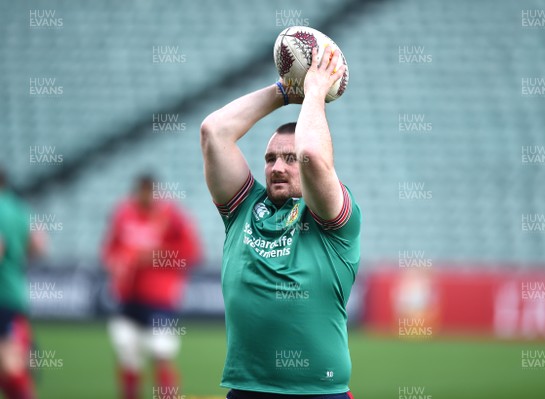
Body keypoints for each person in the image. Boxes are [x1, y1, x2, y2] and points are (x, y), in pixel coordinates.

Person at [201, 46, 360, 398]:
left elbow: (313, 156)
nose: (277, 167)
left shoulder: (330, 219)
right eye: (271, 158)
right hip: (247, 390)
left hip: (319, 392)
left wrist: (315, 92)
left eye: (288, 159)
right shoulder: (243, 208)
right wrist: (285, 91)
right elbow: (214, 131)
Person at [102, 174, 202, 399]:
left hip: (160, 298)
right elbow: (109, 249)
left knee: (161, 352)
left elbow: (191, 252)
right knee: (128, 354)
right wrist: (115, 263)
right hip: (127, 296)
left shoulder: (172, 216)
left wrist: (154, 257)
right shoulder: (124, 213)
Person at [0, 169, 44, 399]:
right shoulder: (19, 209)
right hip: (14, 293)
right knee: (10, 364)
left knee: (9, 364)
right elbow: (39, 246)